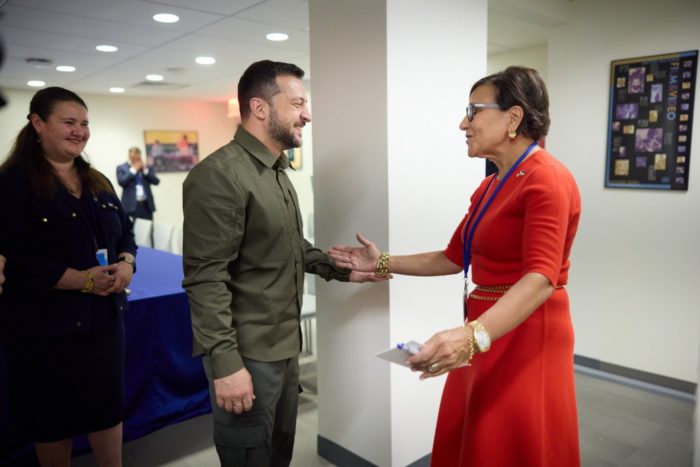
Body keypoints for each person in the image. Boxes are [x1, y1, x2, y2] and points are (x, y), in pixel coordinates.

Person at [329, 66, 582, 466]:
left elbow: (540, 279)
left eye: (474, 110)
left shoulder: (547, 180)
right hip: (485, 328)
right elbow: (452, 257)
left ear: (513, 118)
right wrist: (381, 261)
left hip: (527, 332)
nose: (463, 123)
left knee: (511, 442)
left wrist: (470, 335)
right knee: (474, 438)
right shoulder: (491, 184)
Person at [182, 60, 382, 467]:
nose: (307, 114)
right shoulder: (220, 175)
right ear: (259, 108)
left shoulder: (275, 171)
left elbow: (289, 247)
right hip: (247, 354)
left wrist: (344, 267)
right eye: (297, 103)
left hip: (284, 348)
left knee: (279, 455)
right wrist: (226, 365)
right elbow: (206, 281)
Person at [0, 86, 136, 466]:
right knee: (51, 422)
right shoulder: (11, 185)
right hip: (43, 332)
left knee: (107, 414)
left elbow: (126, 232)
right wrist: (83, 280)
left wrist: (127, 262)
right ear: (38, 124)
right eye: (69, 122)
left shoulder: (98, 181)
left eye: (85, 123)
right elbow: (16, 257)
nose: (80, 131)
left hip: (104, 326)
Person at [116, 146, 160, 220]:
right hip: (131, 207)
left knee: (148, 230)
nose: (136, 159)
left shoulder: (146, 167)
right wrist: (134, 169)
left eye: (138, 157)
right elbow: (122, 182)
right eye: (134, 157)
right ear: (130, 156)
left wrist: (145, 170)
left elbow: (156, 181)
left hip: (146, 206)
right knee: (132, 230)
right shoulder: (121, 167)